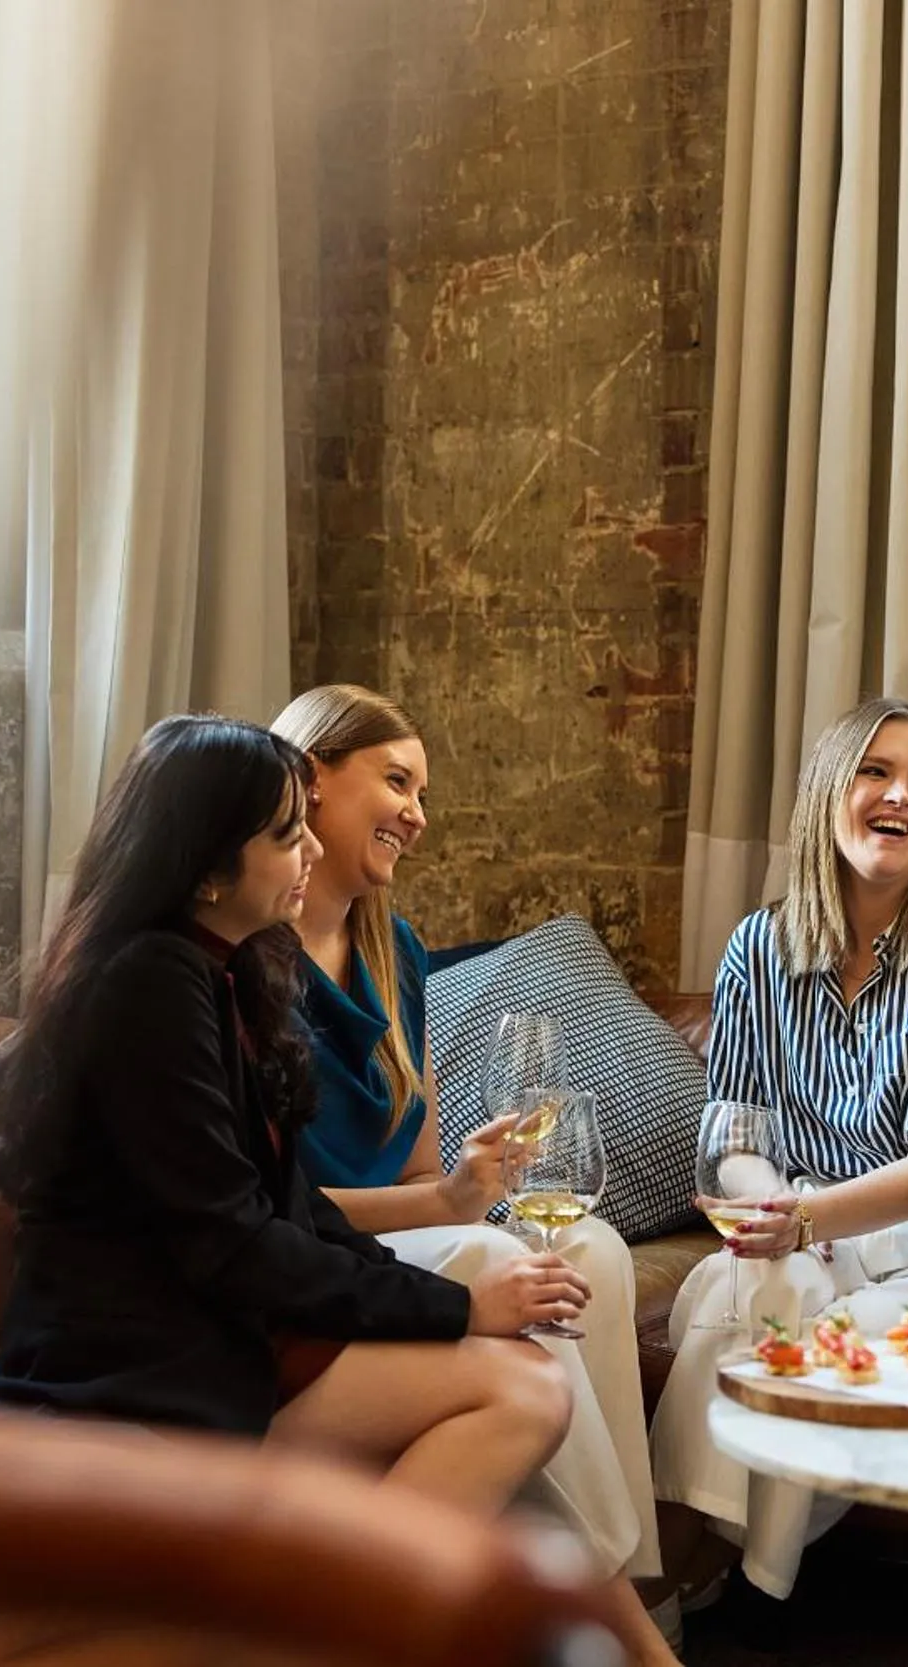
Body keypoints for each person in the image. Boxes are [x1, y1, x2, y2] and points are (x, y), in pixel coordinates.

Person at [0, 714, 586, 1525]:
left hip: (217, 1339)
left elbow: (296, 1209)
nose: (314, 850)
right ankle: (332, 1596)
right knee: (525, 1391)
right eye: (289, 834)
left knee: (523, 1400)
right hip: (129, 1375)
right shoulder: (147, 982)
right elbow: (233, 1241)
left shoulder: (221, 971)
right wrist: (461, 1306)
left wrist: (451, 1299)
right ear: (207, 864)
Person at [272, 684, 679, 1666]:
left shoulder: (393, 948)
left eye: (423, 792)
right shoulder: (252, 955)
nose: (417, 813)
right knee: (508, 1259)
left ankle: (632, 1594)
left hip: (403, 1233)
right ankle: (606, 1615)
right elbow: (274, 1205)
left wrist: (465, 1182)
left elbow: (420, 1171)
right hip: (316, 1251)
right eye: (397, 781)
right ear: (313, 777)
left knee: (591, 1250)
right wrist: (455, 1206)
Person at [648, 695, 908, 1601]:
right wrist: (778, 1218)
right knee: (742, 1286)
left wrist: (803, 1218)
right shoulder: (760, 945)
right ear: (828, 790)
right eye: (876, 770)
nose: (901, 795)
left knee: (817, 1336)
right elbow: (737, 1131)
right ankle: (697, 1590)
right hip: (806, 1220)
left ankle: (694, 1583)